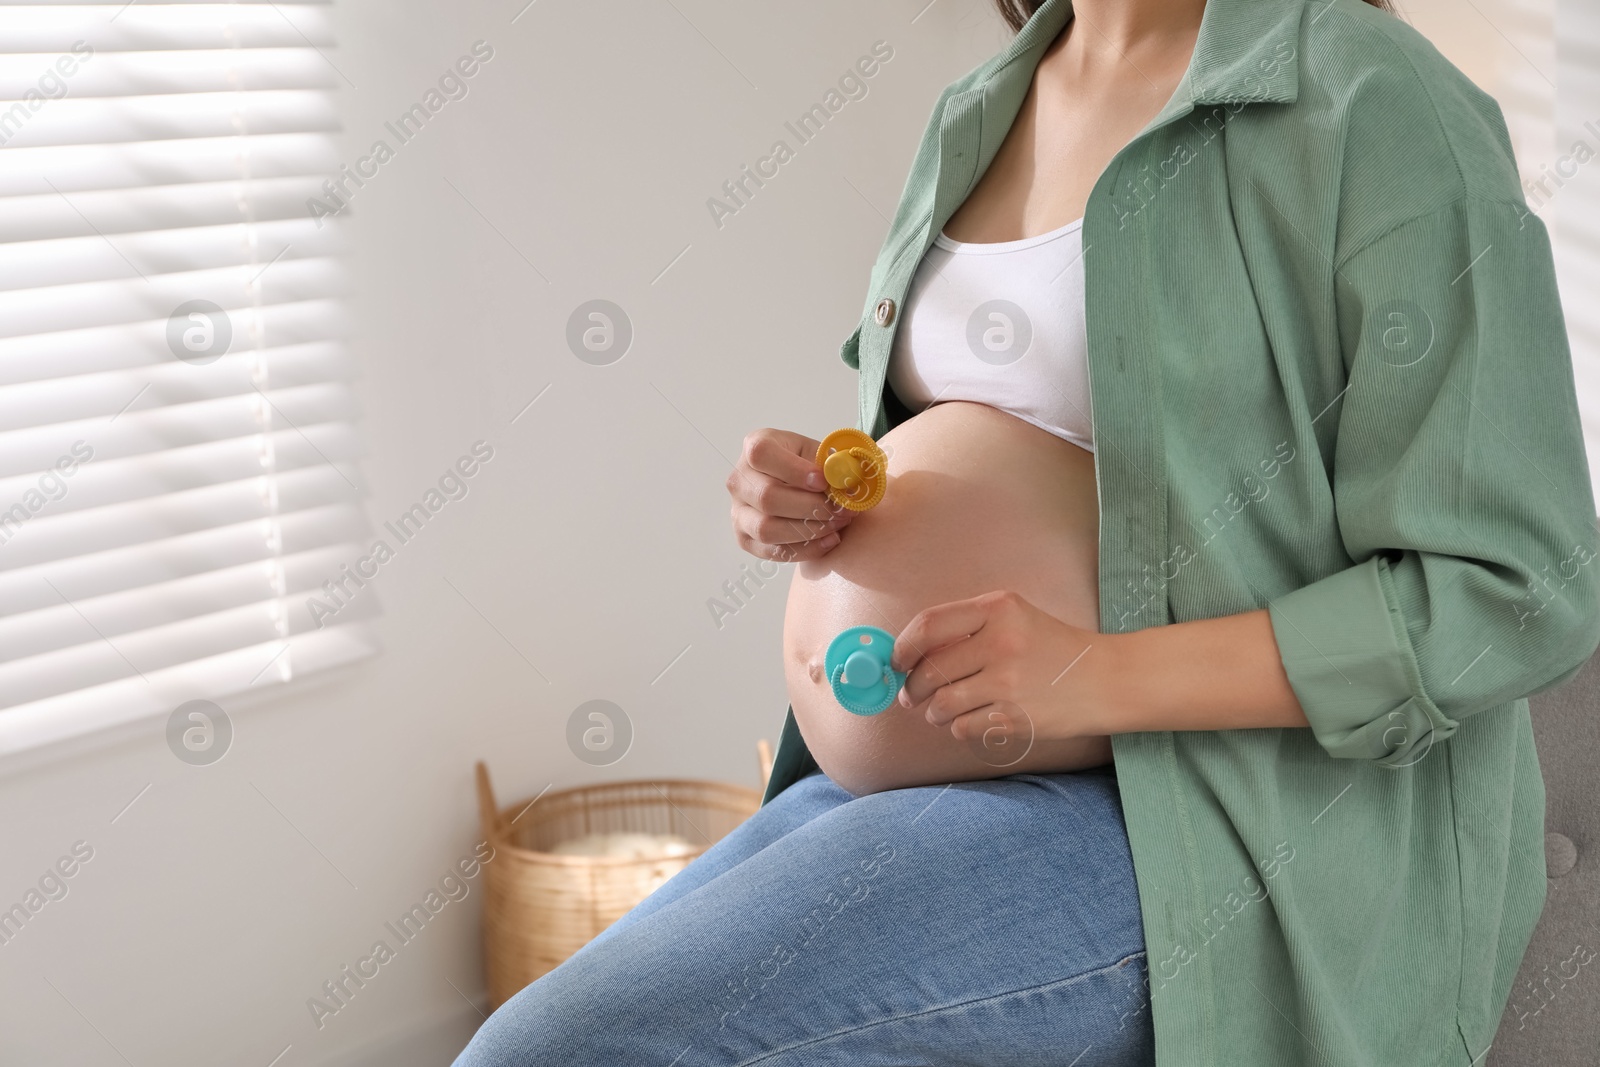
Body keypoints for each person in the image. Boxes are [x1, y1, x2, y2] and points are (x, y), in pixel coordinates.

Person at [455, 0, 1599, 1062]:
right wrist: (819, 498)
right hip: (909, 782)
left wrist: (1098, 675)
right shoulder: (987, 104)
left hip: (1201, 821)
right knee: (515, 1040)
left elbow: (1518, 583)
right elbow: (1011, 445)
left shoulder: (1366, 98)